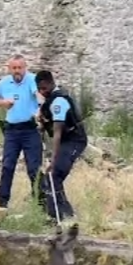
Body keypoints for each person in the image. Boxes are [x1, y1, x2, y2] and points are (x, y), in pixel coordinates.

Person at [0, 55, 45, 208]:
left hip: (30, 130)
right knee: (7, 165)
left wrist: (41, 107)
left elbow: (39, 95)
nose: (17, 71)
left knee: (34, 167)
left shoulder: (32, 80)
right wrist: (3, 103)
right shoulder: (4, 82)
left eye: (20, 68)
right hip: (12, 131)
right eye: (14, 68)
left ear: (25, 68)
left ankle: (40, 202)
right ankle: (2, 201)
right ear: (9, 69)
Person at [35, 70, 88, 222]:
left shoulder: (59, 102)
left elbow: (57, 133)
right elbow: (47, 127)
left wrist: (53, 159)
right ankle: (63, 214)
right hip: (66, 140)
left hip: (74, 140)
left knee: (53, 175)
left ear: (51, 83)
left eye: (44, 88)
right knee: (50, 179)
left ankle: (59, 217)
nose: (42, 92)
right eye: (39, 89)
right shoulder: (48, 101)